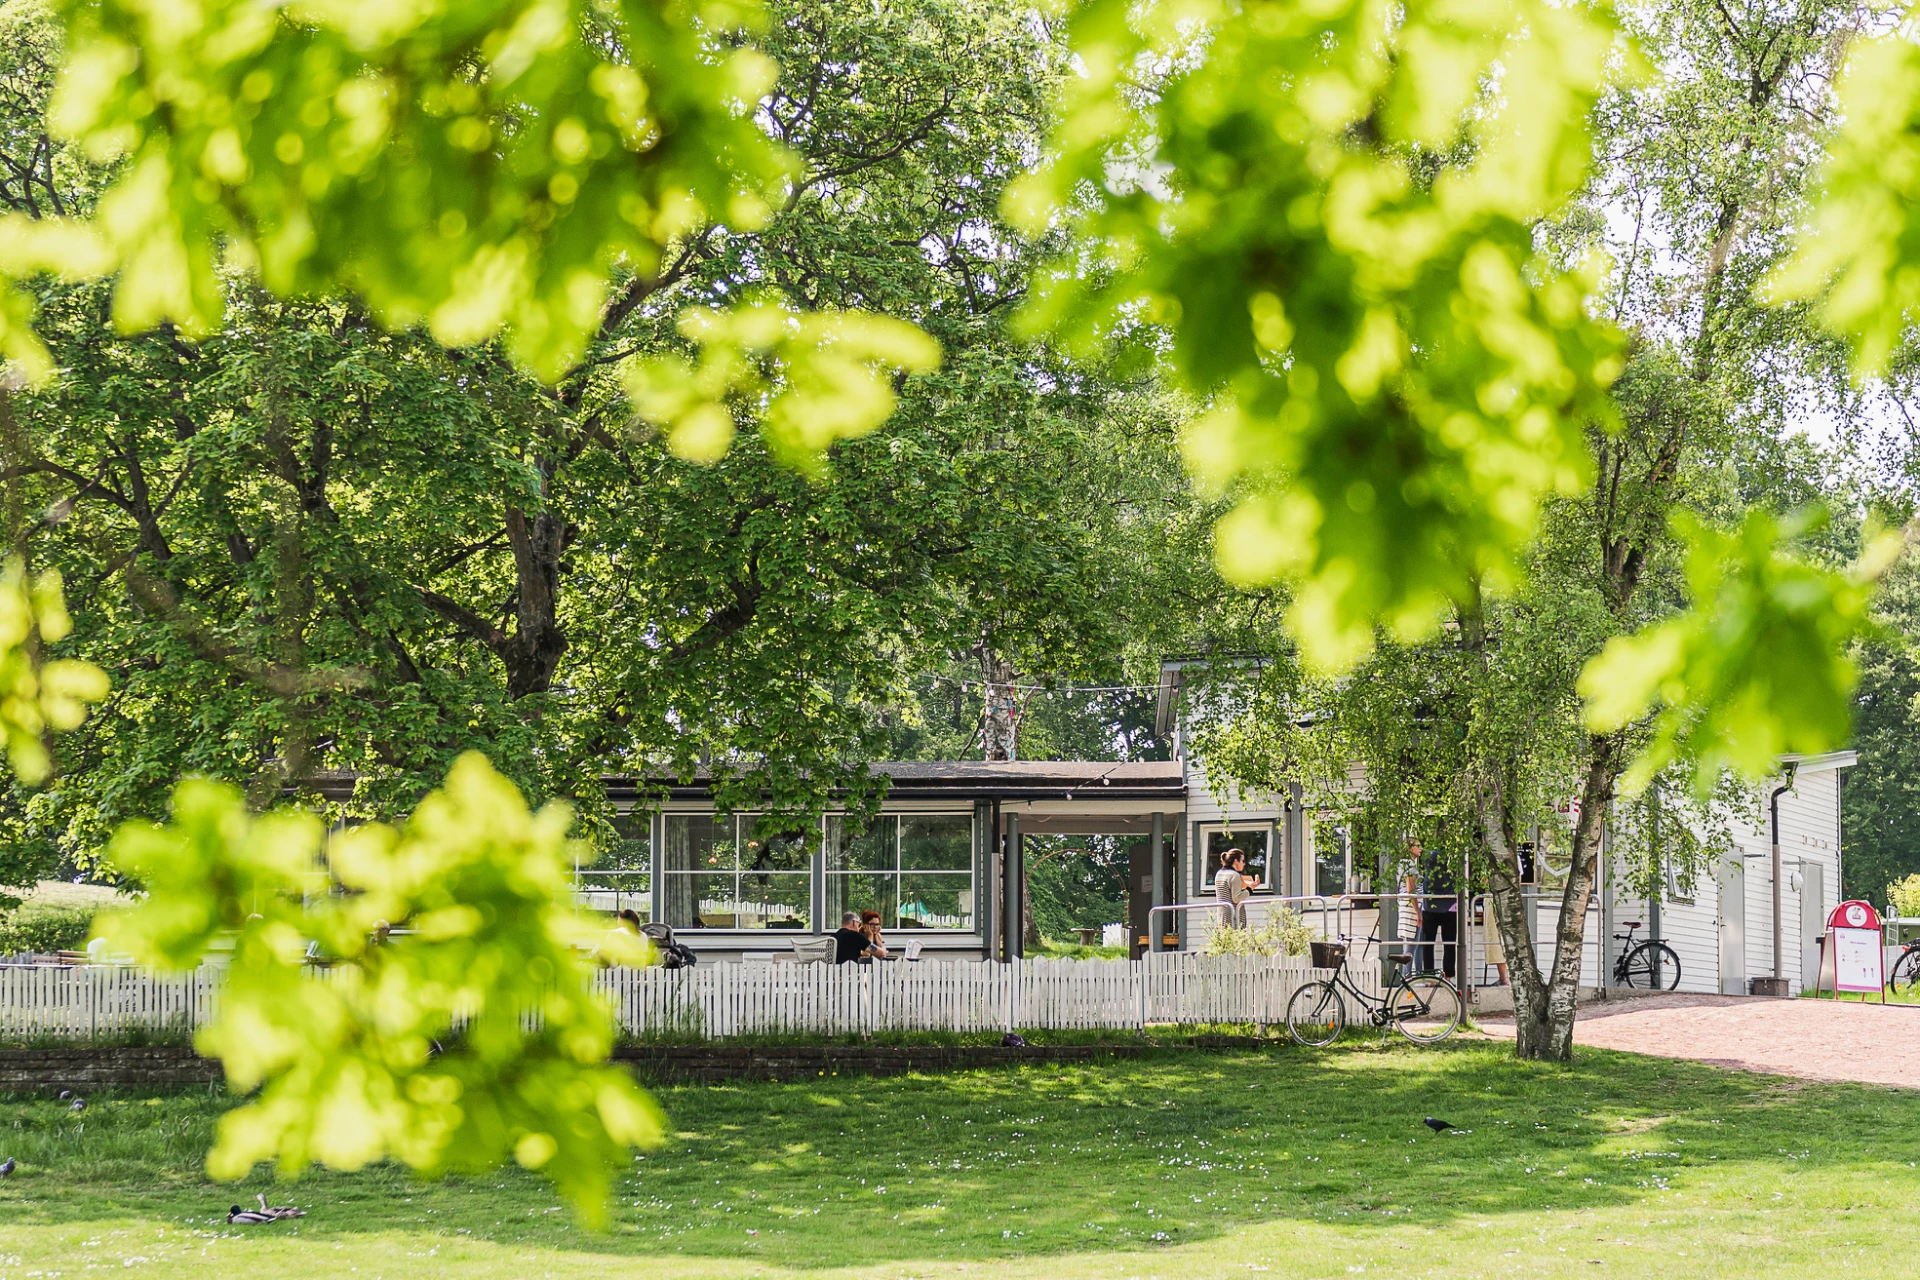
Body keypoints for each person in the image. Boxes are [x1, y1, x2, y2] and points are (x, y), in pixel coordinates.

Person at [1410, 843, 1458, 980]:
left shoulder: (1427, 867)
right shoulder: (1451, 866)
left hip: (1429, 907)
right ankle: (1448, 976)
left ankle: (1429, 976)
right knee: (1449, 944)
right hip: (1450, 907)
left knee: (1428, 944)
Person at [1214, 848, 1256, 928]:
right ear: (1236, 861)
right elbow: (1236, 898)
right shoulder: (1234, 875)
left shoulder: (1219, 874)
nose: (1244, 864)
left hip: (1222, 915)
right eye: (1242, 861)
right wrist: (1251, 888)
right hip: (1234, 918)